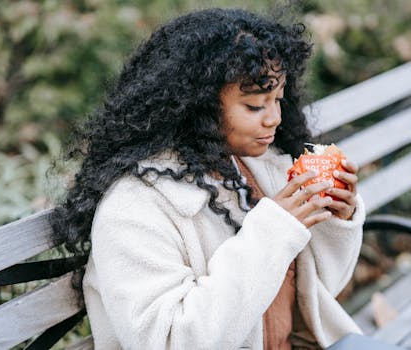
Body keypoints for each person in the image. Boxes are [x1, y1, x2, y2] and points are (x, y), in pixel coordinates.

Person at [51, 7, 365, 350]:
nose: (274, 118)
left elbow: (321, 291)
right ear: (198, 106)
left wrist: (337, 219)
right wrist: (274, 230)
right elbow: (171, 340)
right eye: (254, 106)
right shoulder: (133, 208)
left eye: (278, 99)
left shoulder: (256, 168)